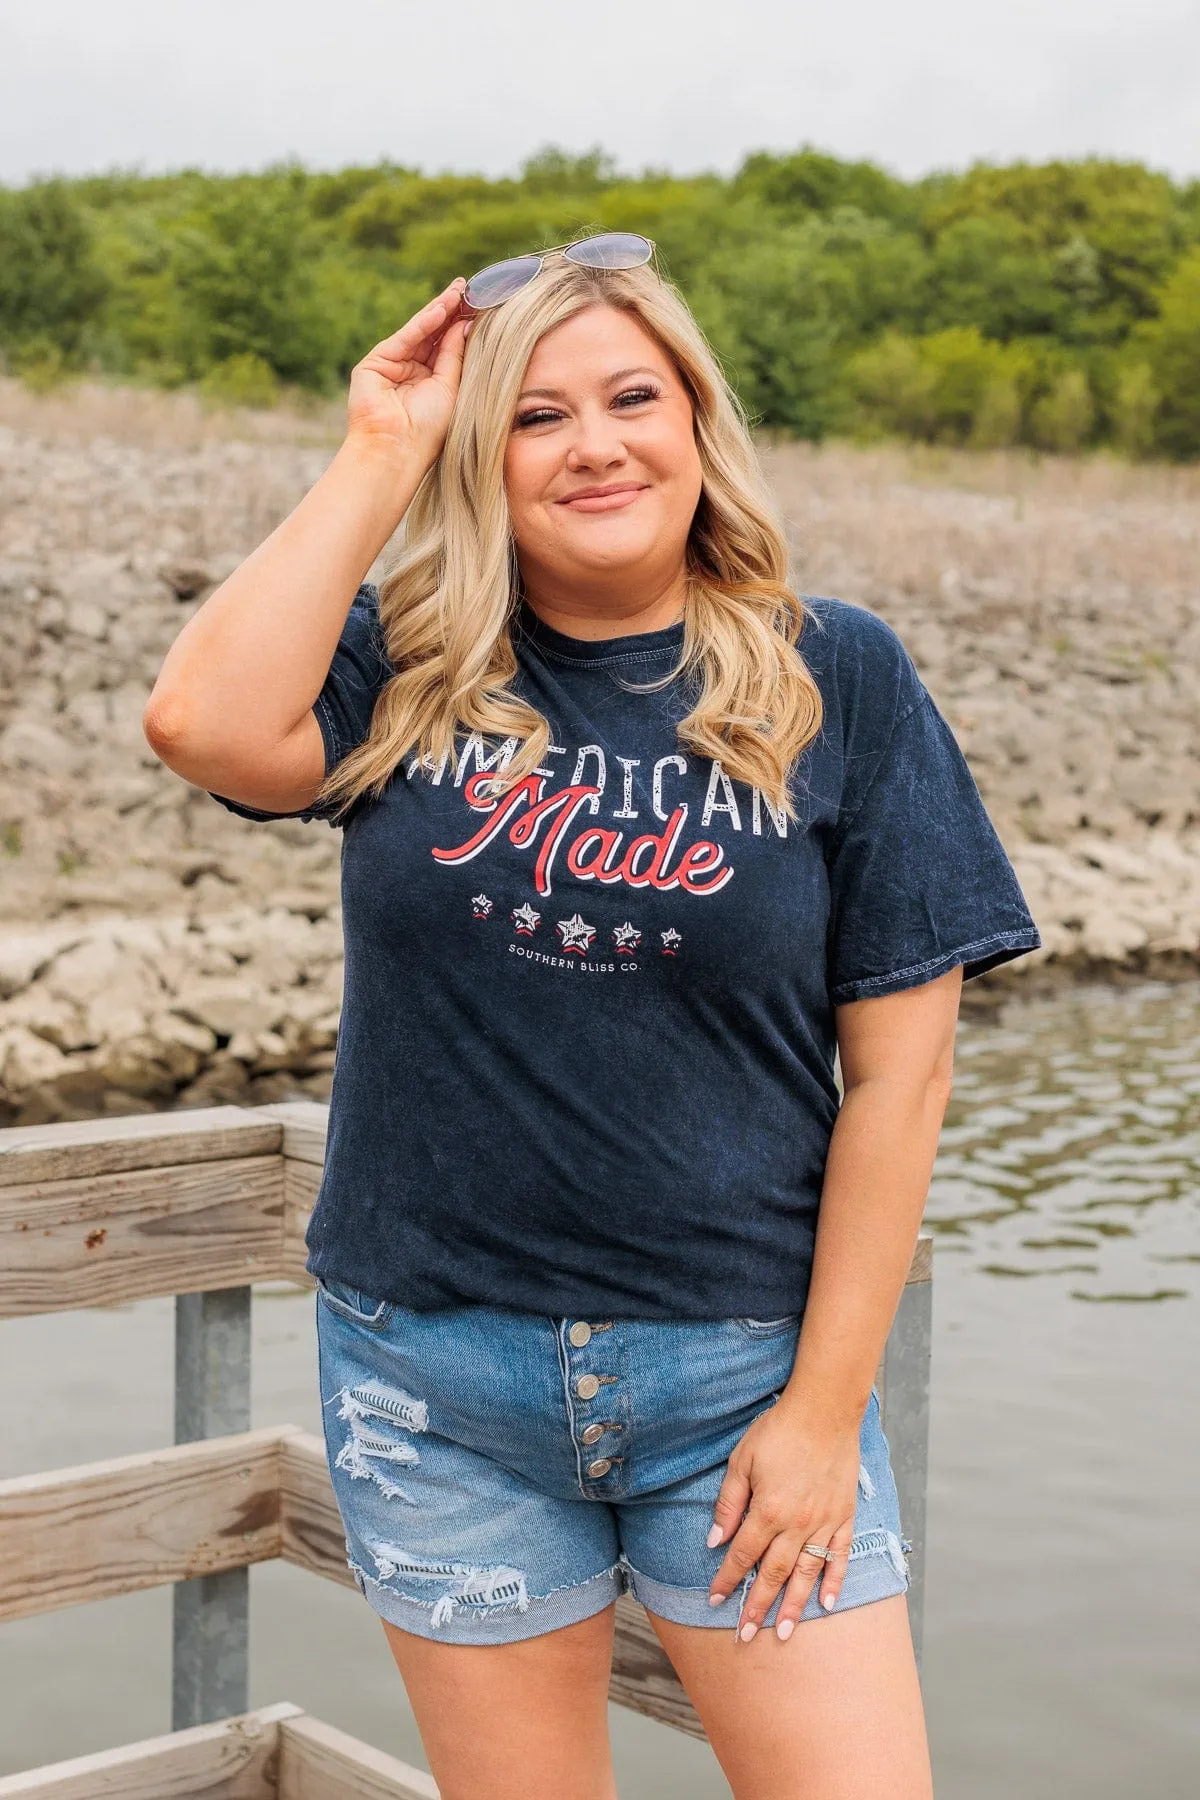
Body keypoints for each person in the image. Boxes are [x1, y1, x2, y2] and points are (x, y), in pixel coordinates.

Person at [144, 233, 1041, 1800]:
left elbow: (901, 1081)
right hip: (438, 1390)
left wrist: (827, 1412)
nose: (596, 443)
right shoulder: (409, 666)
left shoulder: (839, 677)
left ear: (698, 419)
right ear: (483, 455)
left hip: (741, 1388)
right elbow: (204, 723)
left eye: (633, 395)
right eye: (534, 415)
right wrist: (381, 446)